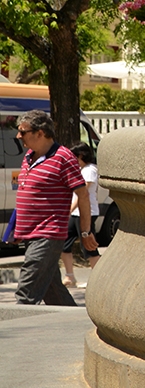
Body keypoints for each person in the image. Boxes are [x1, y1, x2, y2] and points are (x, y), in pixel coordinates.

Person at [11, 113, 92, 307]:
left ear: (40, 133)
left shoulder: (64, 158)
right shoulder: (28, 157)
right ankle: (73, 320)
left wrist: (85, 232)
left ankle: (13, 326)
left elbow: (83, 195)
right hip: (30, 235)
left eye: (22, 131)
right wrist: (17, 228)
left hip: (48, 235)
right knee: (53, 290)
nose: (18, 136)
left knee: (26, 293)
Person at [61, 142, 101, 297]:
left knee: (89, 246)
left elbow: (82, 195)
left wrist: (68, 210)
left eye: (74, 157)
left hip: (86, 212)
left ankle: (99, 279)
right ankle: (69, 276)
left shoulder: (90, 170)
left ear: (81, 155)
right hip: (76, 213)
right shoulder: (81, 170)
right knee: (64, 242)